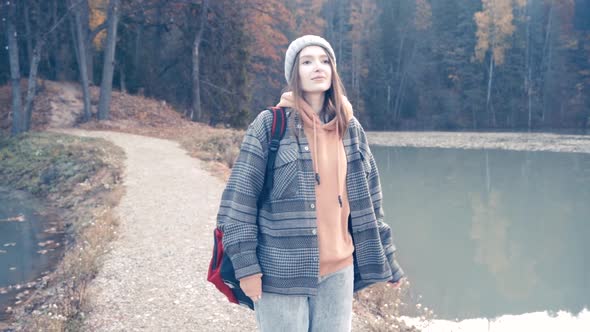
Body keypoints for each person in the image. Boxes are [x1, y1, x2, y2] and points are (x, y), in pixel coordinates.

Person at [216, 35, 404, 332]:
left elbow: (371, 202)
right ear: (295, 73)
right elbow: (239, 203)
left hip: (339, 272)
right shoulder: (270, 125)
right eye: (307, 61)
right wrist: (247, 268)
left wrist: (389, 261)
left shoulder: (350, 128)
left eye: (325, 60)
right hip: (280, 272)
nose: (318, 67)